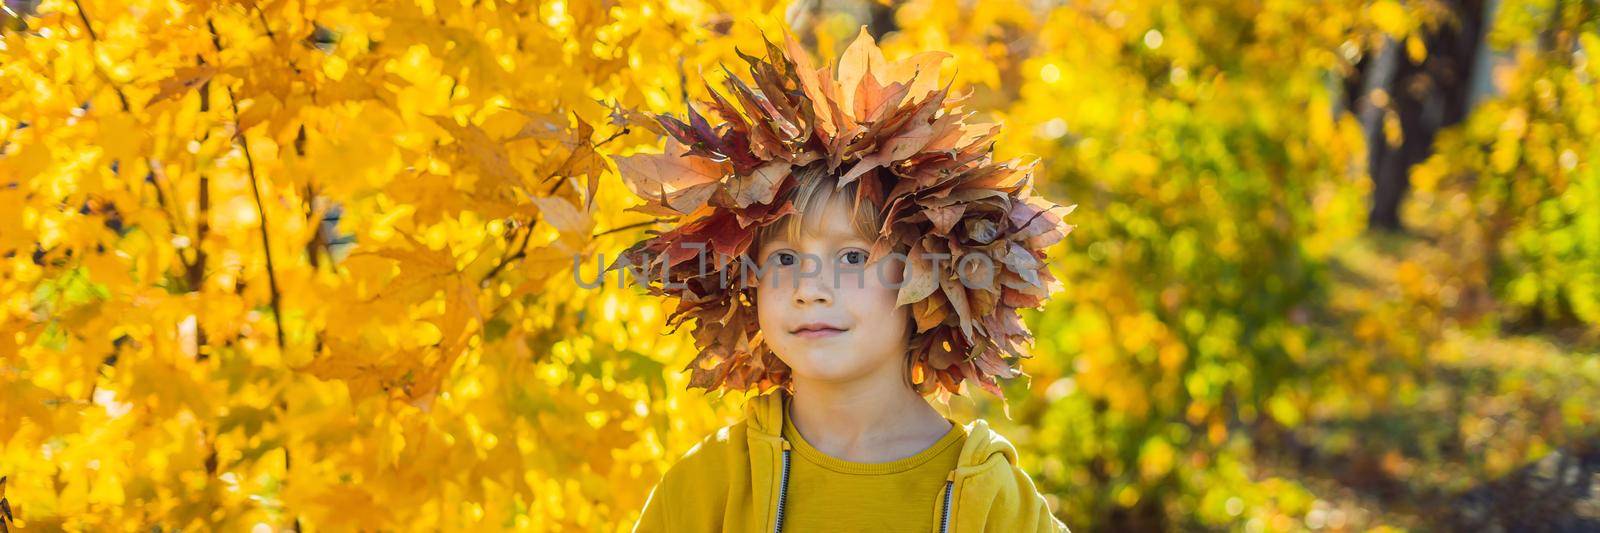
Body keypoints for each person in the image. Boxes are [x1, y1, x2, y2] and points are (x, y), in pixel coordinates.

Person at [611, 26, 1074, 533]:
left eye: (853, 257)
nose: (810, 288)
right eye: (785, 259)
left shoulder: (990, 500)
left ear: (934, 277)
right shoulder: (708, 488)